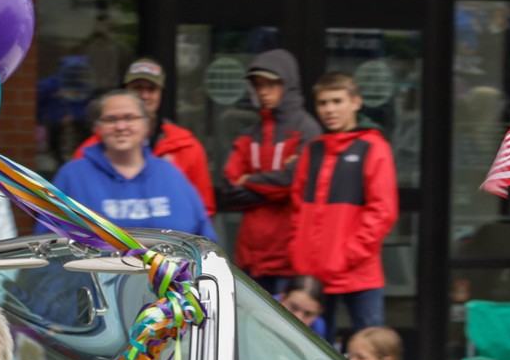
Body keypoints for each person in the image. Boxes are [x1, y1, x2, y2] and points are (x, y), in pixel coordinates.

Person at [277, 71, 398, 336]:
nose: (329, 109)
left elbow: (383, 212)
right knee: (312, 352)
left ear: (356, 102)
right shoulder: (313, 150)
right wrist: (299, 253)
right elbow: (298, 210)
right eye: (323, 103)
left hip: (359, 273)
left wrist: (345, 256)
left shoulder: (374, 147)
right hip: (312, 274)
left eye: (336, 101)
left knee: (369, 348)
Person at [54, 91, 216, 238]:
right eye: (111, 119)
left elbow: (204, 240)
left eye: (130, 118)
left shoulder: (171, 175)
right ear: (98, 127)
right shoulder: (73, 177)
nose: (121, 126)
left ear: (147, 125)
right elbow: (48, 245)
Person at [222, 49, 320, 289]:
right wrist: (276, 186)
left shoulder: (307, 130)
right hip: (251, 255)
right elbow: (228, 187)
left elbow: (296, 180)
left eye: (271, 84)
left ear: (288, 84)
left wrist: (249, 180)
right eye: (258, 85)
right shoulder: (250, 133)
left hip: (289, 255)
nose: (263, 92)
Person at [67, 59, 216, 215]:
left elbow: (203, 210)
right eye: (137, 88)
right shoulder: (88, 153)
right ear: (125, 90)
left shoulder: (188, 147)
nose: (144, 95)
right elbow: (71, 217)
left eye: (151, 89)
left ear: (160, 94)